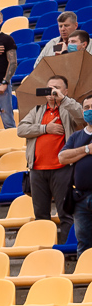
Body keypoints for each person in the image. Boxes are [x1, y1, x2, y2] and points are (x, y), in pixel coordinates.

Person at [19, 75, 83, 244]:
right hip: (37, 170)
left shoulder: (68, 109)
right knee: (40, 214)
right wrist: (45, 128)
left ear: (65, 91)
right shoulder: (38, 110)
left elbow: (82, 117)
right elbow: (21, 130)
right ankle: (45, 248)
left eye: (57, 88)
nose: (52, 91)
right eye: (49, 88)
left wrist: (65, 100)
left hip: (62, 168)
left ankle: (66, 249)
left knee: (65, 213)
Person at [58, 96, 92, 256]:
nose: (89, 110)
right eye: (86, 107)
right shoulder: (76, 137)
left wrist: (76, 154)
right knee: (83, 242)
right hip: (80, 198)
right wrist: (86, 150)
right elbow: (62, 157)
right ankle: (85, 276)